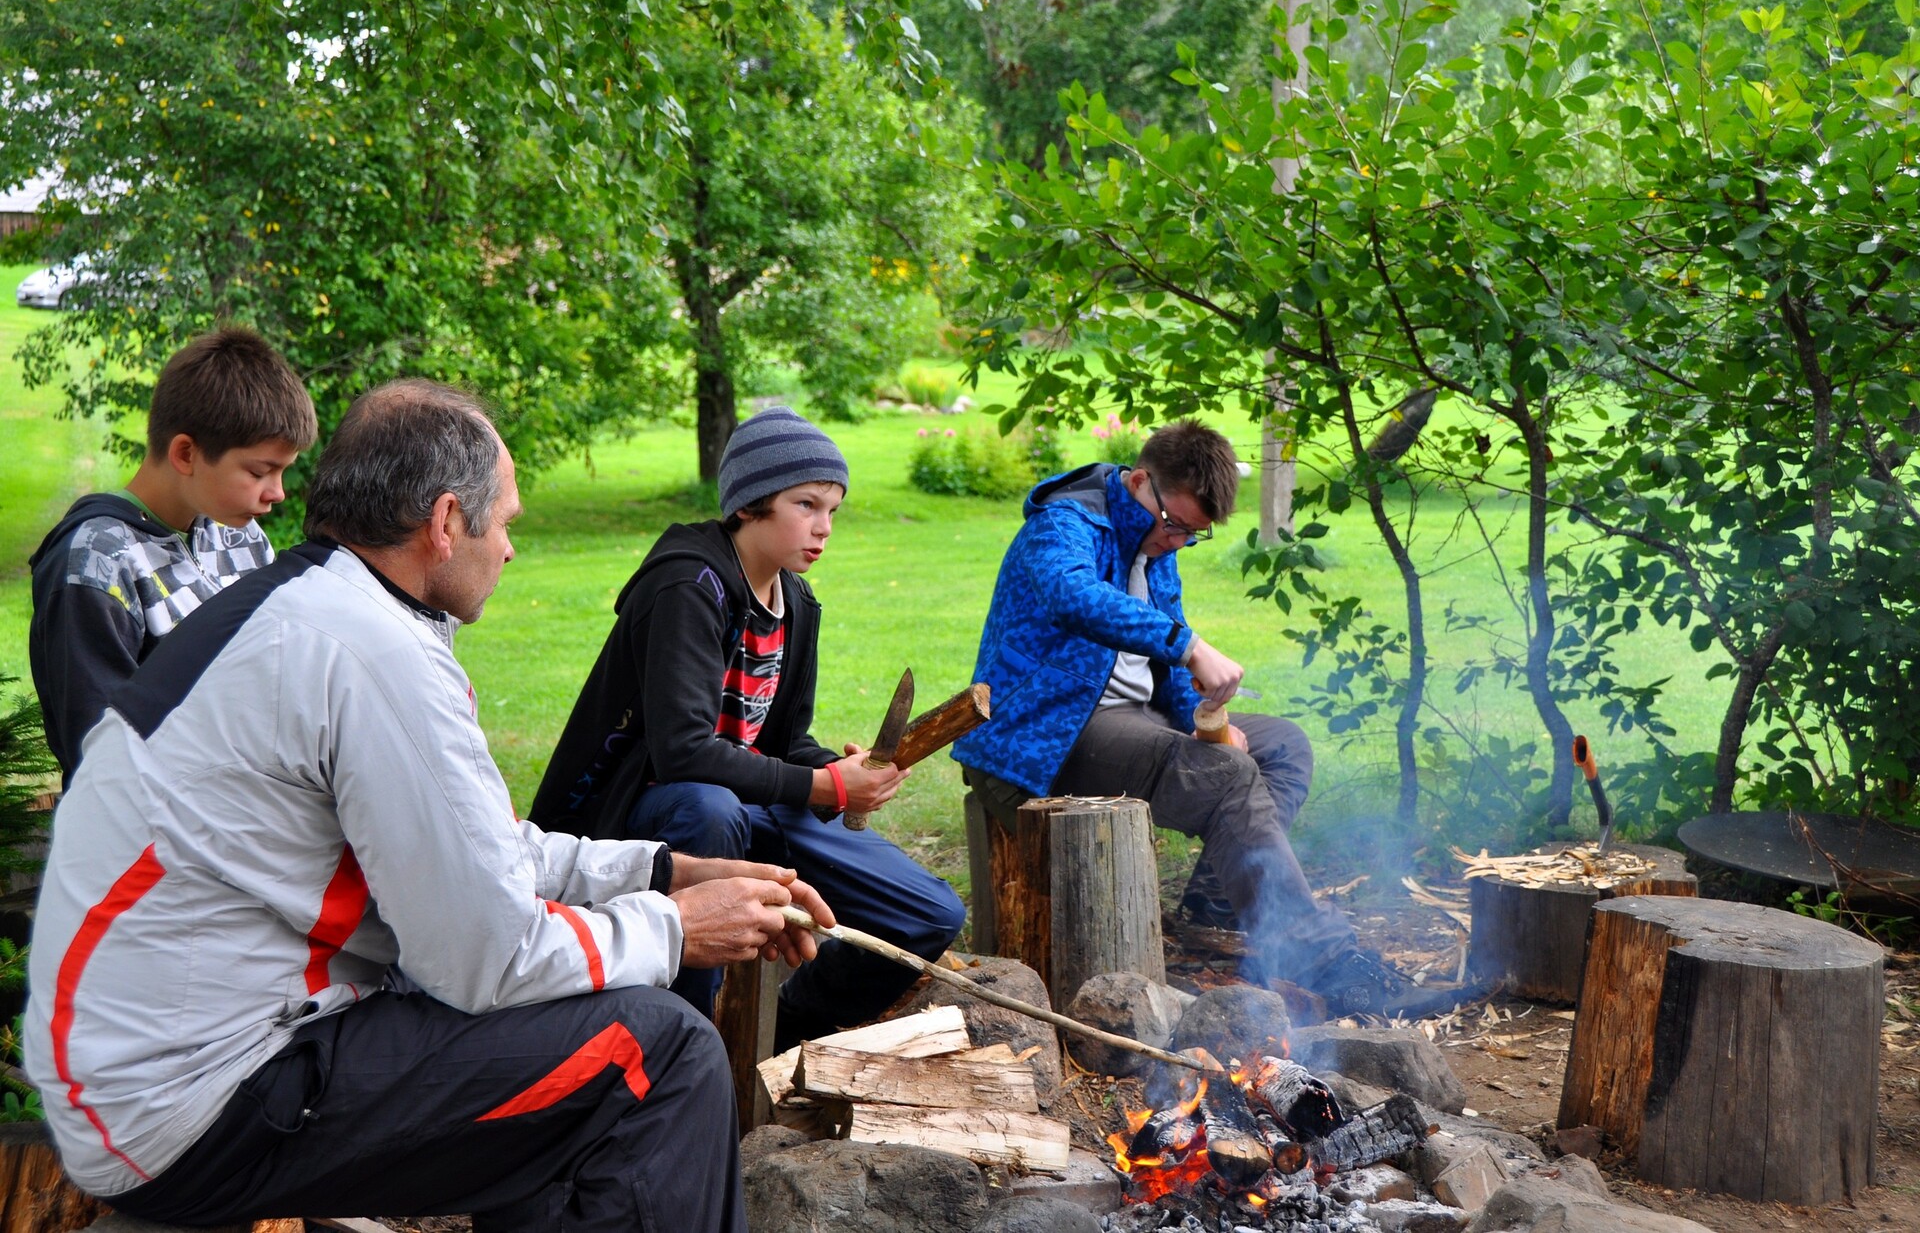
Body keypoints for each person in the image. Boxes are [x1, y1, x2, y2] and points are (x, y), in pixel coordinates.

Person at [25, 380, 828, 1232]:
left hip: (143, 1077)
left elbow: (476, 850)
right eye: (505, 522)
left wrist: (663, 869)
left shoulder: (320, 607)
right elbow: (488, 958)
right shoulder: (370, 651)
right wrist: (674, 926)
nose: (510, 549)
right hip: (190, 1103)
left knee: (566, 1036)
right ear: (446, 521)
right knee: (662, 1050)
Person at [954, 419, 1471, 1019]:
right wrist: (1190, 647)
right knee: (1225, 776)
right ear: (1140, 481)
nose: (1176, 542)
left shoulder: (1156, 543)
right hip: (1040, 738)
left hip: (1127, 720)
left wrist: (1203, 718)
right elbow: (1072, 596)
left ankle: (1213, 908)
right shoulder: (1064, 524)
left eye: (1192, 534)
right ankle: (1323, 962)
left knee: (1282, 746)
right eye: (1173, 523)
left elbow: (1167, 661)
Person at [531, 406, 964, 1047]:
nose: (824, 526)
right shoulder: (688, 585)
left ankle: (786, 1032)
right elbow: (682, 753)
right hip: (644, 813)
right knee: (708, 808)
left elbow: (782, 744)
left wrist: (839, 772)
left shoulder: (797, 603)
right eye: (806, 504)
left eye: (833, 509)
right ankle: (683, 1045)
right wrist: (826, 787)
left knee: (927, 911)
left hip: (747, 805)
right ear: (750, 503)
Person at [28, 325, 317, 784]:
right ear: (185, 453)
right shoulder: (96, 564)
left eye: (283, 471)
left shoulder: (242, 539)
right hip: (146, 822)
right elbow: (96, 753)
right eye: (260, 471)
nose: (277, 493)